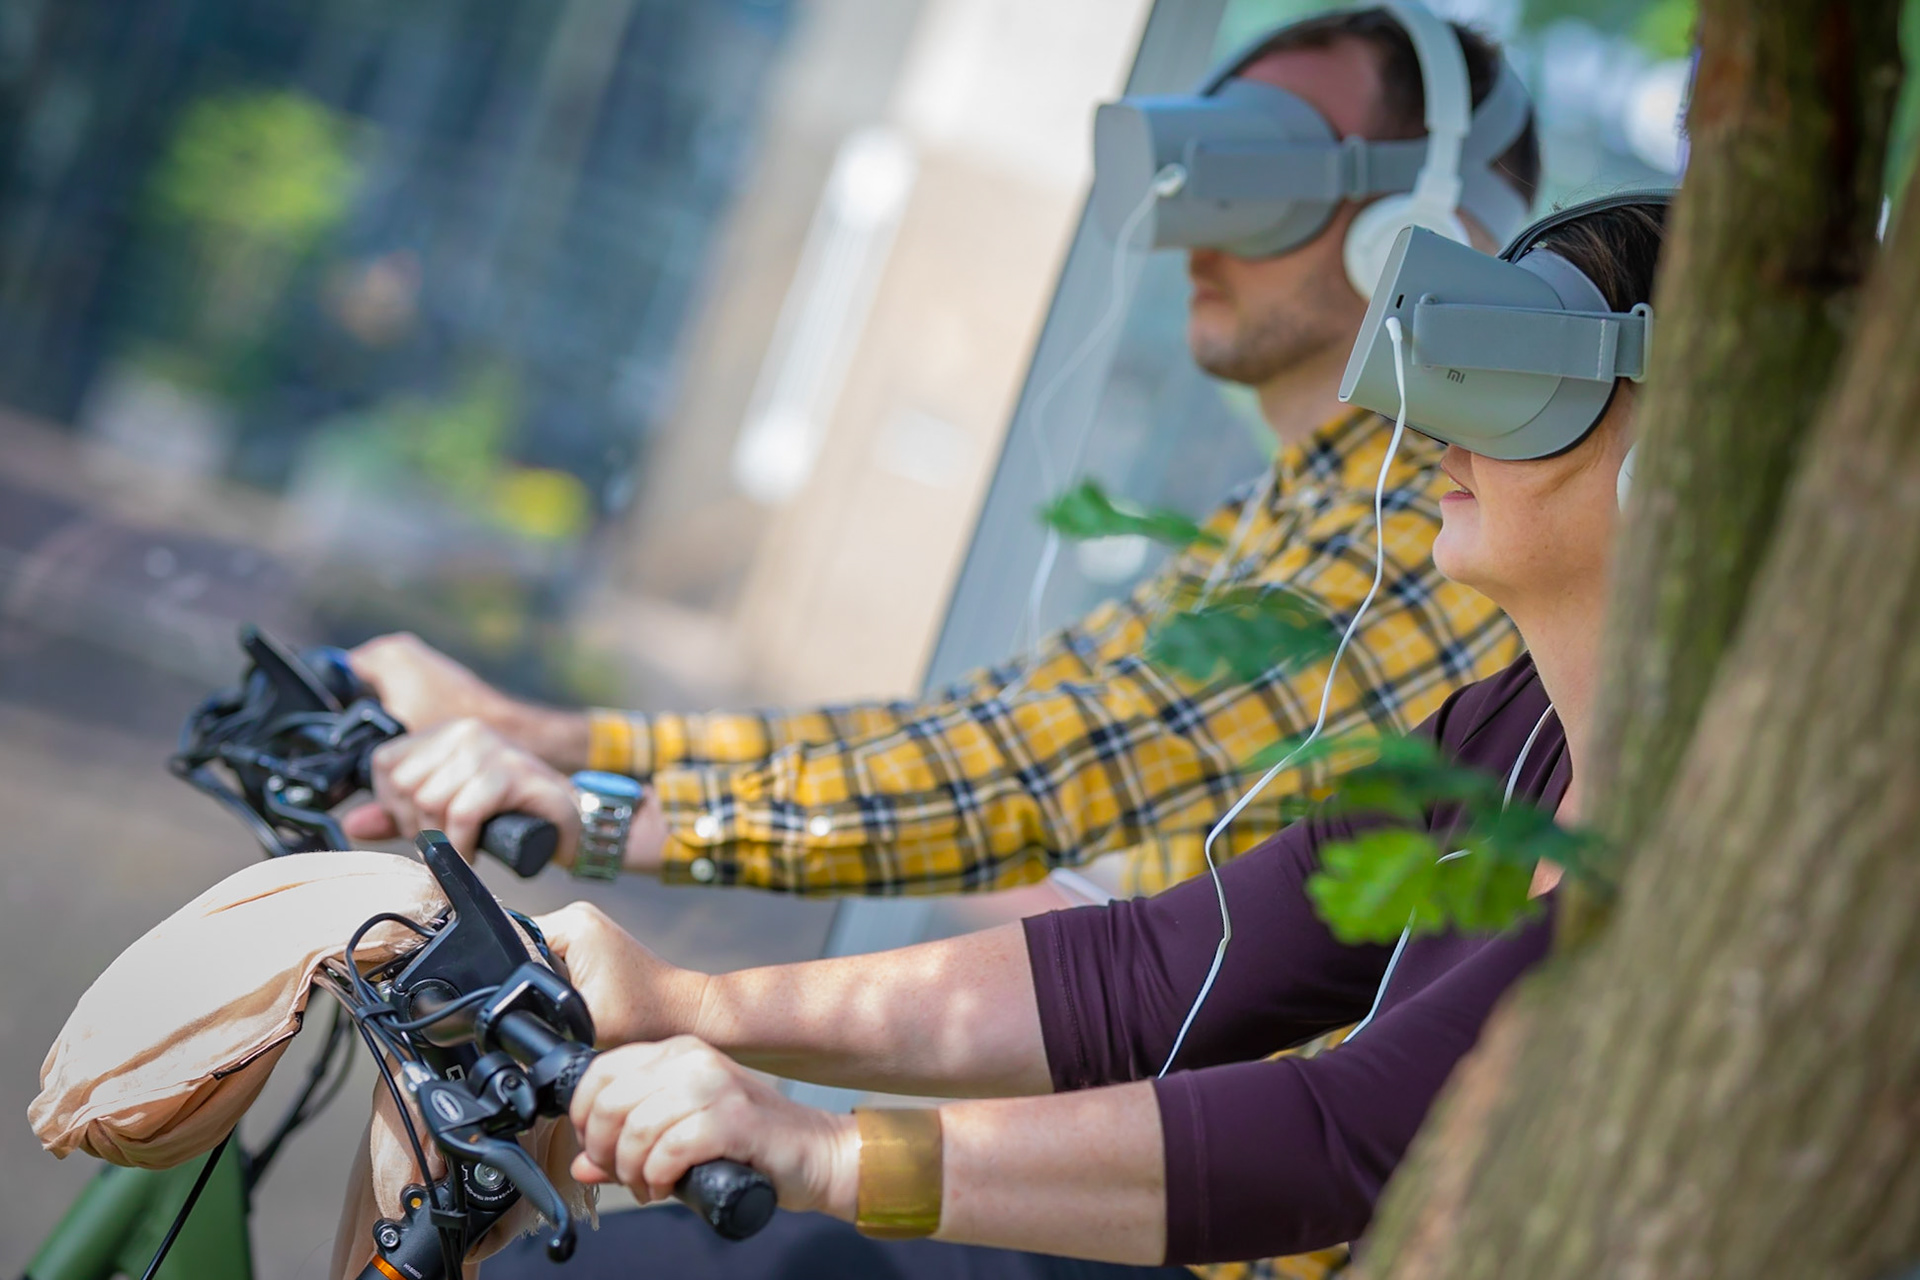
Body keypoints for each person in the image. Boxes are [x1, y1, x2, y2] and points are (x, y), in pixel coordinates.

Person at [470, 195, 1670, 1277]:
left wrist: (827, 1151)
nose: (1438, 439)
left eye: (1525, 389)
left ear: (1676, 455)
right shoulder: (1510, 728)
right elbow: (1150, 970)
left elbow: (1344, 1137)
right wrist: (686, 999)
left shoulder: (1683, 840)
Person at [343, 7, 1538, 907]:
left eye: (1265, 174)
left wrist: (602, 817)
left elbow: (1051, 766)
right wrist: (541, 736)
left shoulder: (1439, 519)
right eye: (1203, 166)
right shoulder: (1298, 501)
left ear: (1423, 223)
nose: (1198, 222)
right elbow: (987, 720)